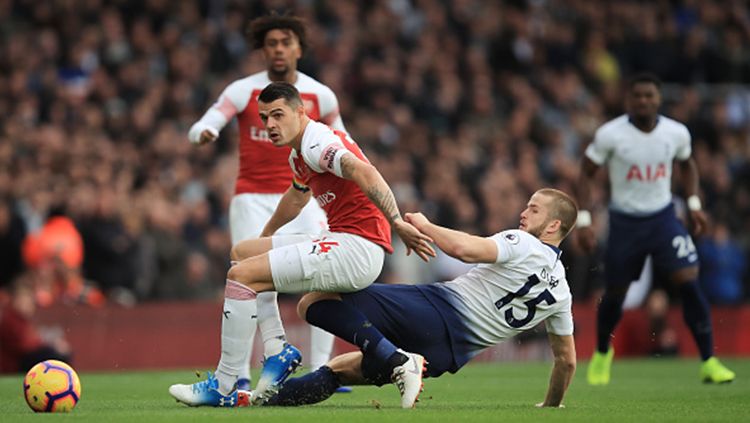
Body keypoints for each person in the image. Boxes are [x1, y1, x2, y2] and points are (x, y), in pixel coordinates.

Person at [169, 82, 435, 407]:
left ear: (300, 112)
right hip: (344, 240)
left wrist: (396, 221)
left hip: (356, 248)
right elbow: (296, 197)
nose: (269, 125)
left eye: (278, 115)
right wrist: (265, 236)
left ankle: (227, 383)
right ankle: (286, 350)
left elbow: (361, 169)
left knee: (242, 277)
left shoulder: (317, 143)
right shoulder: (300, 155)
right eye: (265, 118)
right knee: (243, 254)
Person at [227, 188, 578, 409]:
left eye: (533, 209)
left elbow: (464, 250)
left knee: (313, 302)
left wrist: (425, 225)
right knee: (339, 370)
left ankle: (396, 359)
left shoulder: (524, 244)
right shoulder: (562, 294)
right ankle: (266, 403)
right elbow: (567, 361)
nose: (523, 213)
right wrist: (550, 405)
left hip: (434, 310)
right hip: (443, 356)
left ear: (552, 226)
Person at [187, 14, 347, 390]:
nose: (278, 49)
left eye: (286, 42)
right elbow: (206, 121)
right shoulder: (243, 91)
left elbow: (342, 138)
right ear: (263, 49)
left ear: (299, 48)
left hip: (304, 199)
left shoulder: (320, 95)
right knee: (253, 279)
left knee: (326, 274)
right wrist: (204, 133)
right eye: (272, 43)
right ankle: (241, 372)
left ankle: (322, 368)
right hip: (252, 199)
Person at [576, 73, 735, 385]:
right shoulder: (611, 134)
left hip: (663, 219)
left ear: (659, 99)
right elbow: (586, 171)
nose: (644, 101)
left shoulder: (675, 133)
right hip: (624, 222)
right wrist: (583, 219)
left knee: (689, 280)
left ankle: (708, 360)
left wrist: (693, 204)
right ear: (628, 100)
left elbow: (687, 164)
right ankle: (601, 351)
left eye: (649, 96)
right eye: (637, 96)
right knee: (615, 293)